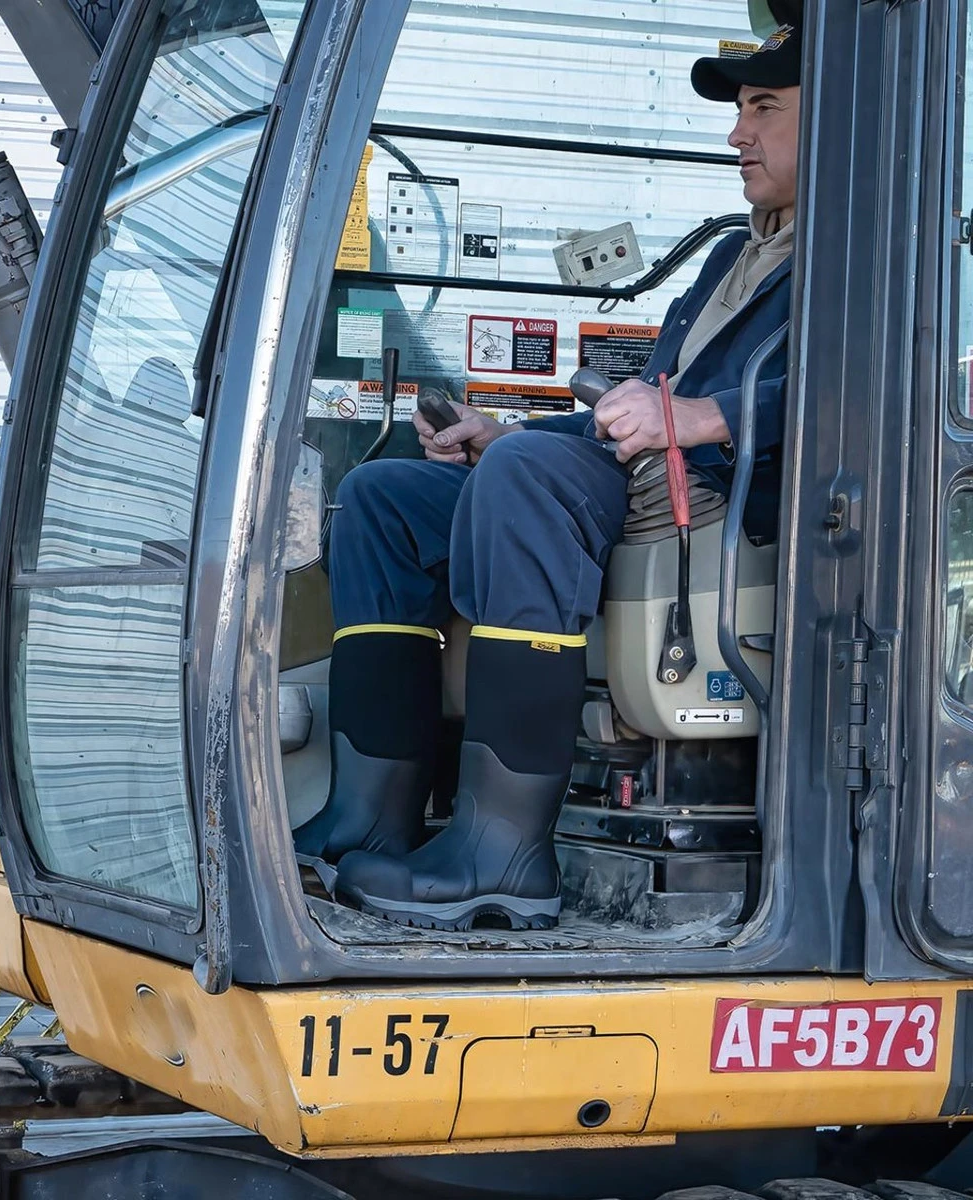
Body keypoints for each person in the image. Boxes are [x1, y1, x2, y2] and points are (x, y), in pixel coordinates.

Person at [294, 26, 803, 930]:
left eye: (763, 108)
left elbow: (882, 399)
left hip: (737, 503)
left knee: (531, 479)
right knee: (385, 500)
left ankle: (504, 854)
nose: (737, 134)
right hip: (648, 475)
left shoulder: (876, 265)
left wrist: (703, 416)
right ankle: (369, 819)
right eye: (737, 112)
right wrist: (505, 434)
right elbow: (640, 402)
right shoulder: (738, 254)